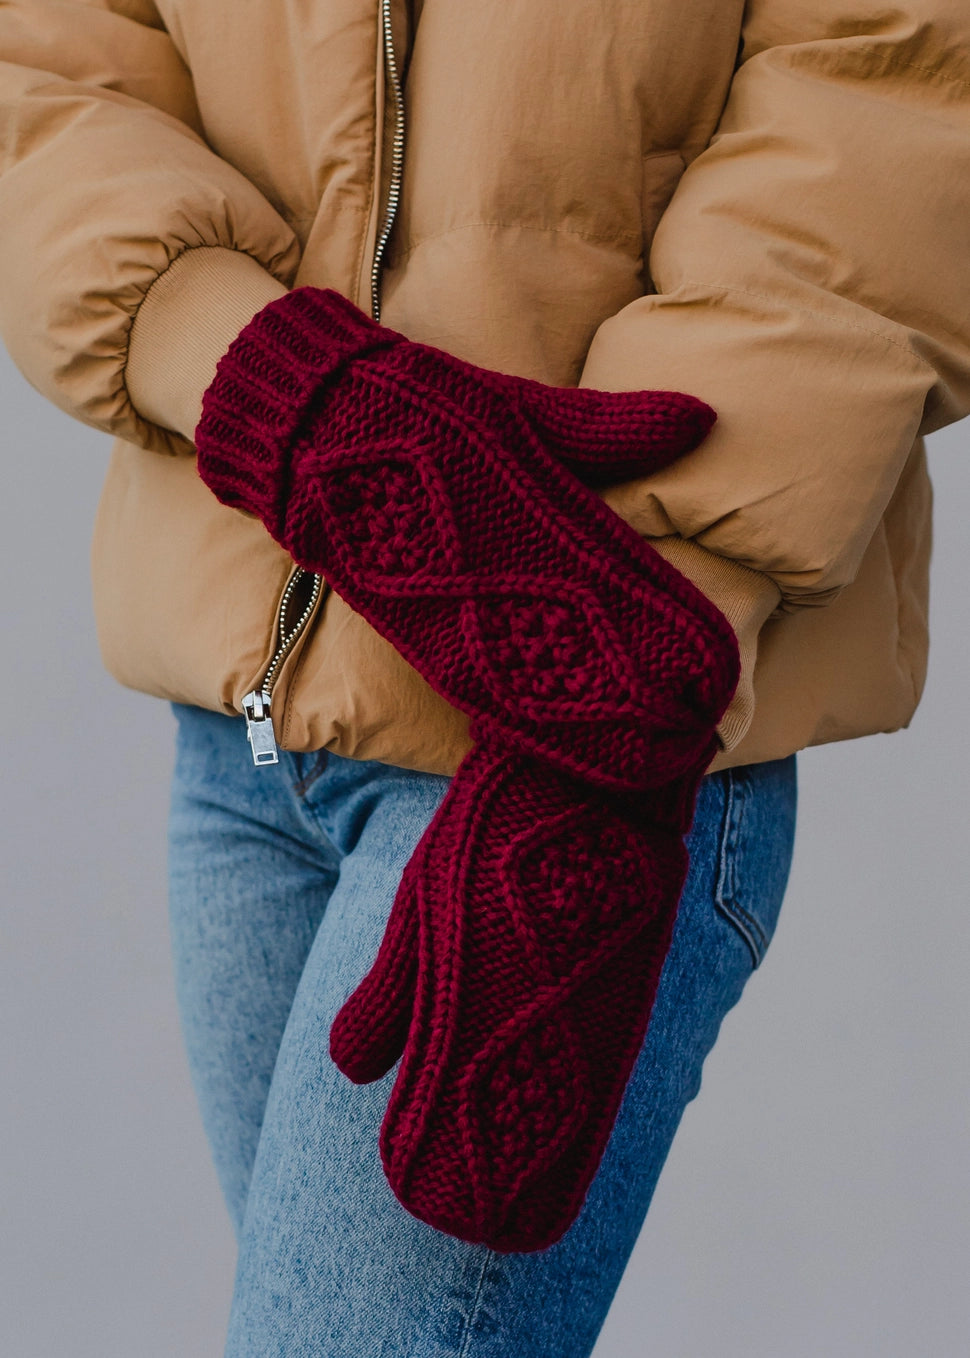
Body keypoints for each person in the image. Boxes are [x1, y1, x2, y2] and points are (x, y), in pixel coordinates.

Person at [0, 0, 966, 1353]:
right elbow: (46, 71)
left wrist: (639, 625)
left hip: (588, 750)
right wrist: (287, 393)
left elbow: (891, 96)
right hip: (244, 744)